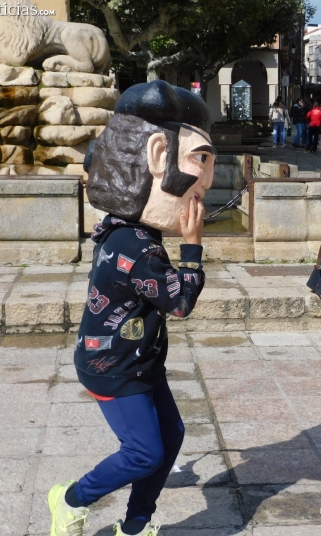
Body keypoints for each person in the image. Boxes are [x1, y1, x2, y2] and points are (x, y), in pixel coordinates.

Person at [48, 80, 213, 536]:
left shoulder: (127, 228)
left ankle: (136, 525)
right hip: (112, 365)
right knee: (143, 452)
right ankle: (69, 498)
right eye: (201, 159)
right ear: (159, 156)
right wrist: (193, 248)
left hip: (137, 358)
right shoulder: (137, 247)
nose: (208, 182)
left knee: (171, 437)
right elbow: (178, 302)